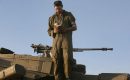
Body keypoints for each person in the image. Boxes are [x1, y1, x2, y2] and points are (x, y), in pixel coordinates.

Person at [48, 1, 77, 80]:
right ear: (54, 8)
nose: (58, 10)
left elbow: (74, 27)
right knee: (57, 61)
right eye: (56, 9)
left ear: (62, 6)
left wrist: (66, 29)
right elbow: (48, 31)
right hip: (56, 43)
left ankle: (68, 78)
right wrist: (53, 31)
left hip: (66, 42)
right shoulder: (52, 18)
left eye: (59, 8)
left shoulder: (69, 15)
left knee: (67, 61)